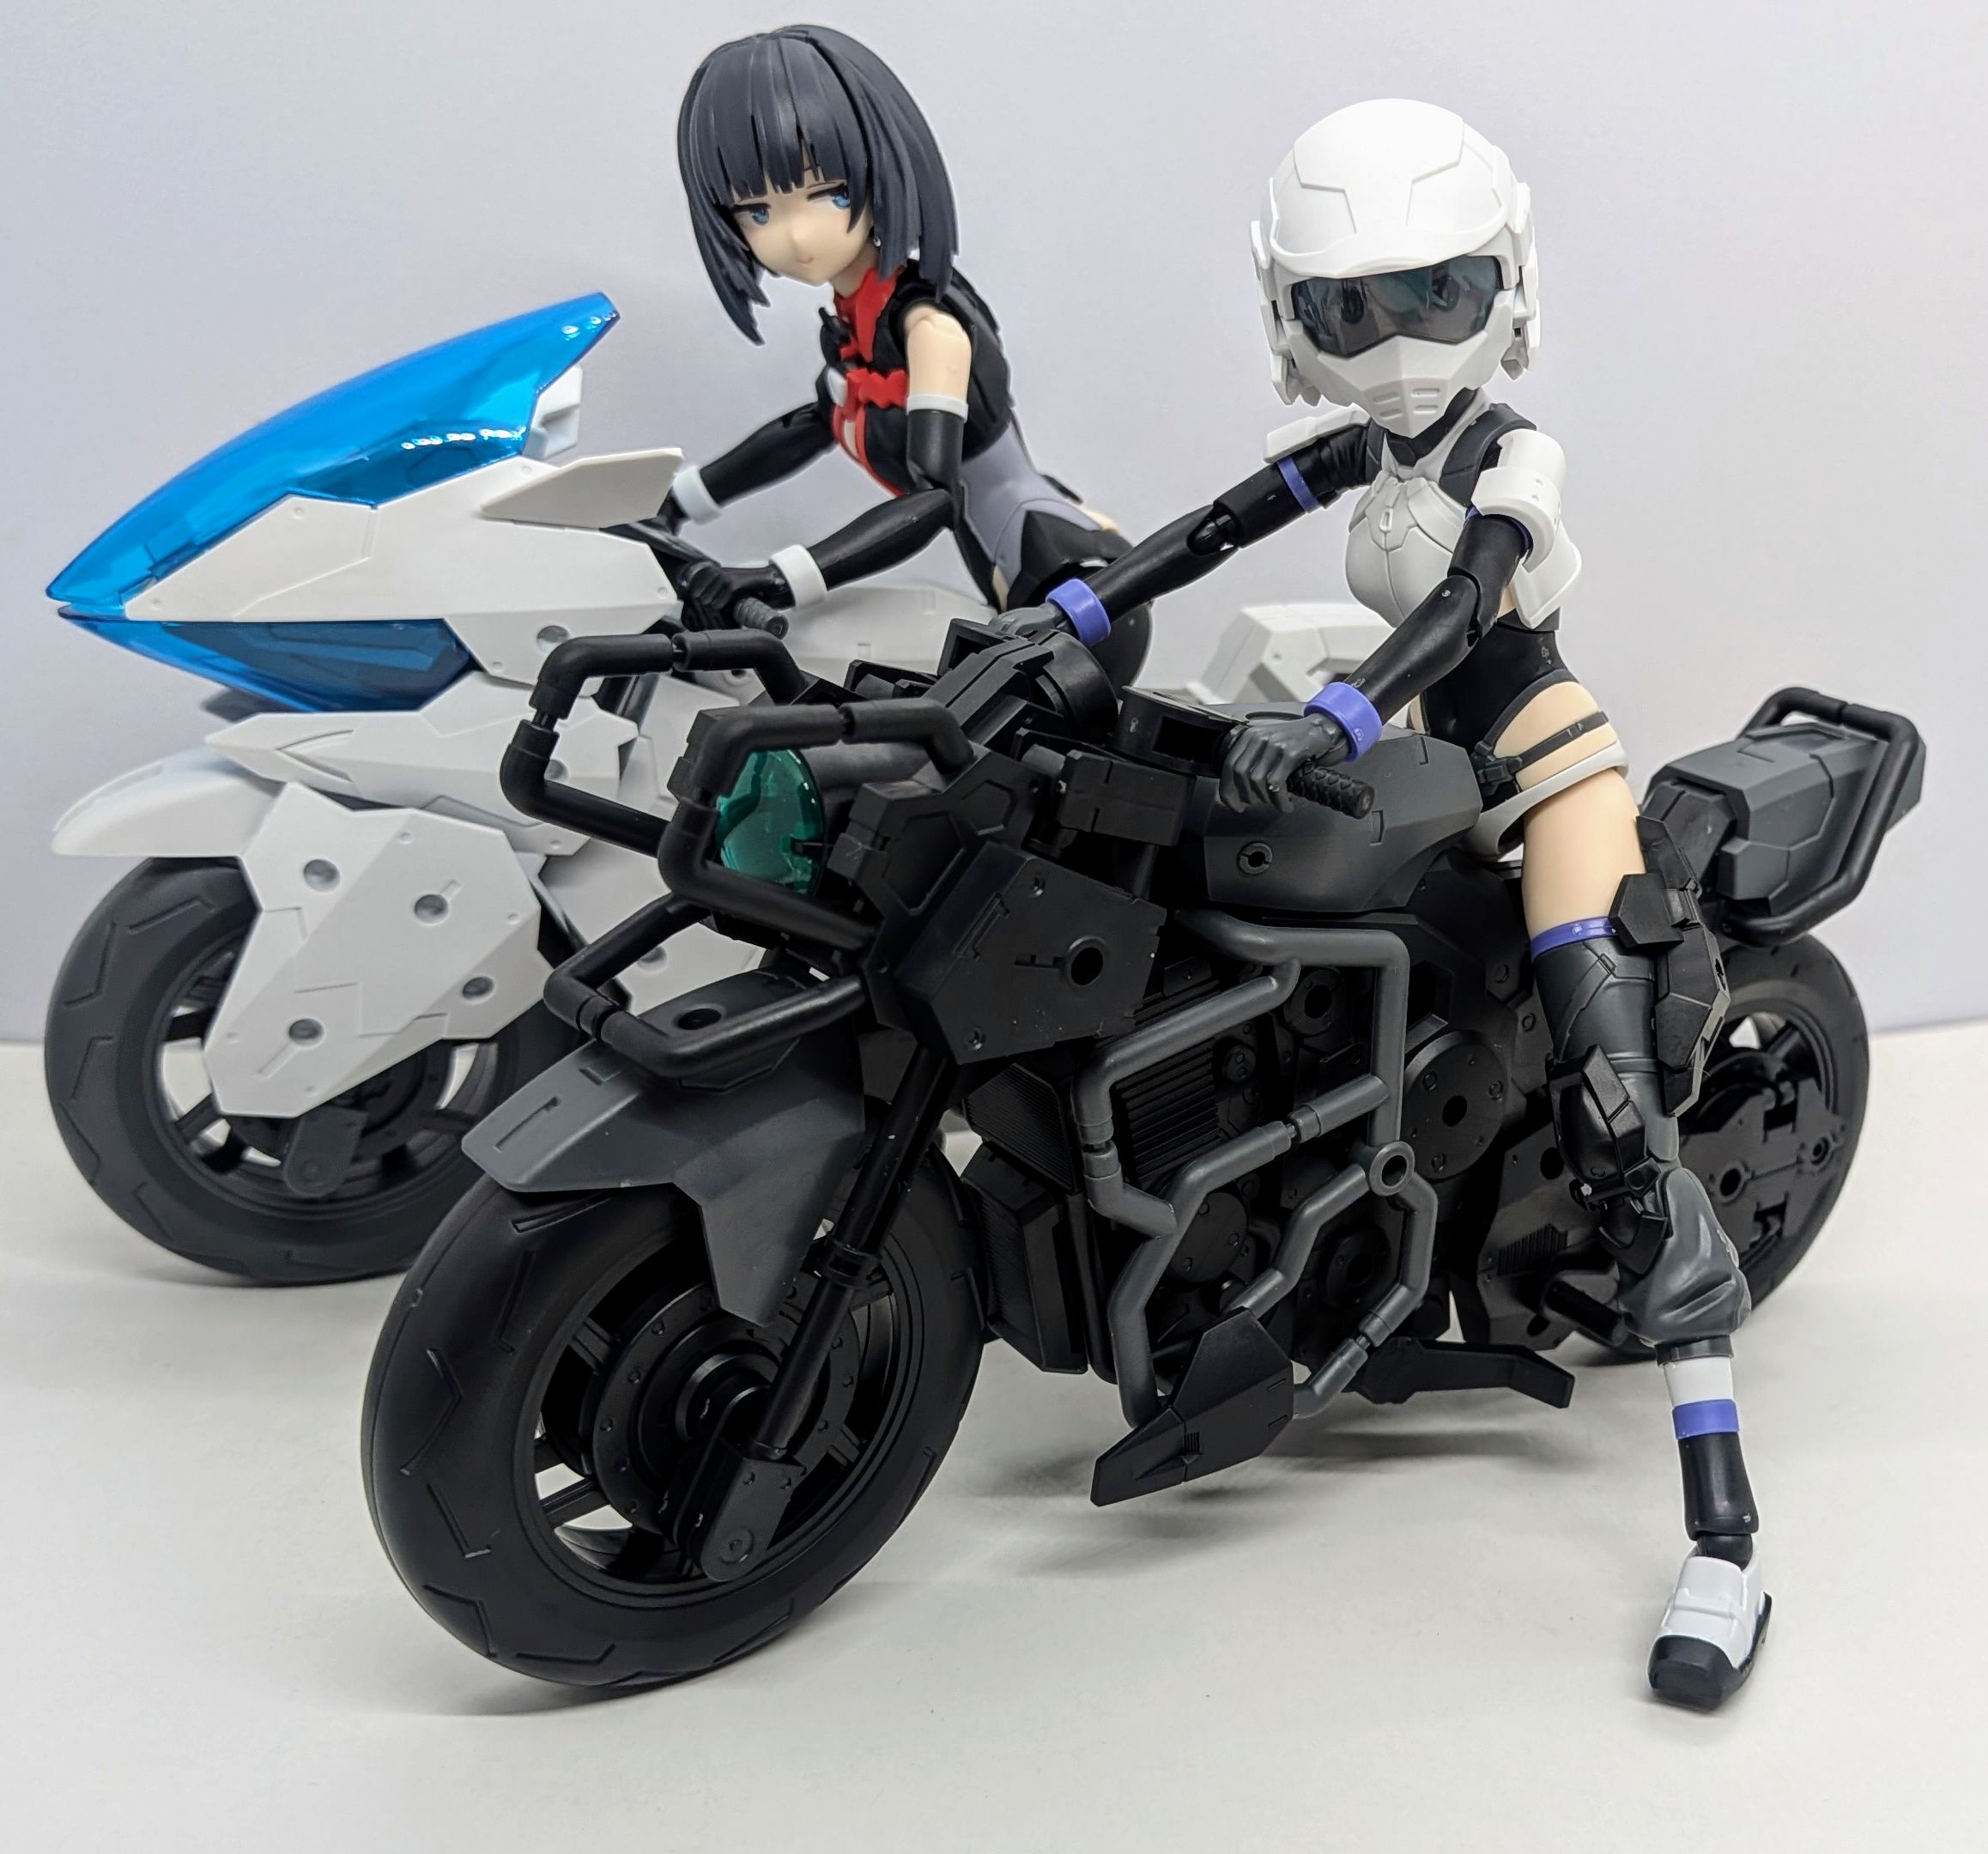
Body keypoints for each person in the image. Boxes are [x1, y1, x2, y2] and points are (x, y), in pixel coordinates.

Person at [1006, 99, 1767, 1710]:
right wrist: (1064, 610)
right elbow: (1210, 528)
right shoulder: (1363, 450)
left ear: (1505, 284)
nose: (1402, 340)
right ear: (1295, 318)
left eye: (1437, 294)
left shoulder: (1510, 454)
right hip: (1410, 769)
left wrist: (1344, 714)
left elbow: (1472, 599)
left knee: (1617, 1105)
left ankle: (1725, 1533)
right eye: (1352, 308)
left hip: (1540, 768)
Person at [662, 24, 1149, 688]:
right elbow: (813, 425)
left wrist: (779, 578)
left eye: (829, 193)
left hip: (1072, 596)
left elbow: (933, 501)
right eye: (758, 211)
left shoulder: (930, 332)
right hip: (1016, 592)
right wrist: (678, 498)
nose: (797, 235)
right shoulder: (855, 323)